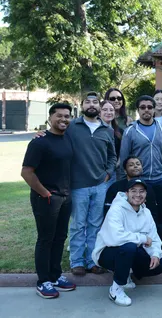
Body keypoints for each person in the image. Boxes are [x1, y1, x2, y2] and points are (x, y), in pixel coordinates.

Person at [22, 103, 77, 299]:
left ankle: (55, 275)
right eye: (59, 116)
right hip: (46, 198)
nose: (63, 119)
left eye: (67, 116)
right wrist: (45, 193)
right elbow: (26, 172)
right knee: (45, 239)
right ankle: (43, 281)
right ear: (50, 118)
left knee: (60, 238)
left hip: (65, 197)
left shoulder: (67, 138)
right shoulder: (39, 142)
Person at [93, 179, 162, 306]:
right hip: (107, 253)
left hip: (130, 251)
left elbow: (154, 238)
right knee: (128, 247)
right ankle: (116, 289)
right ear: (126, 193)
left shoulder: (146, 212)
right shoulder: (116, 209)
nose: (138, 195)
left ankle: (126, 272)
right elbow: (116, 237)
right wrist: (143, 239)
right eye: (133, 191)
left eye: (141, 191)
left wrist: (155, 254)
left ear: (146, 194)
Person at [68, 92, 117, 276]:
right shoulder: (72, 127)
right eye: (87, 102)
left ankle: (92, 261)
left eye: (95, 102)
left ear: (99, 106)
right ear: (81, 105)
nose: (91, 105)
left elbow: (112, 156)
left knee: (95, 224)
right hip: (78, 185)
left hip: (99, 184)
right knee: (78, 224)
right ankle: (77, 261)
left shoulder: (107, 130)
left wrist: (108, 173)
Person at [120, 95, 162, 252]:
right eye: (143, 107)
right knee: (143, 216)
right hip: (139, 182)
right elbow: (124, 158)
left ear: (154, 109)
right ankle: (145, 245)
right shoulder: (130, 131)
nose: (147, 110)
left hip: (160, 179)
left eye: (150, 107)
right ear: (138, 110)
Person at [103, 156, 162, 247]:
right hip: (121, 228)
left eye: (138, 164)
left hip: (143, 228)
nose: (135, 166)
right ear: (125, 171)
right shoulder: (115, 188)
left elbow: (153, 213)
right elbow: (107, 213)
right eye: (131, 165)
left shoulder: (148, 189)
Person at [100, 100, 124, 180]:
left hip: (115, 172)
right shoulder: (94, 131)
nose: (108, 112)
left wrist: (117, 163)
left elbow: (123, 149)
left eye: (111, 110)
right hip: (98, 172)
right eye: (105, 110)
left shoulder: (120, 131)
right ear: (99, 112)